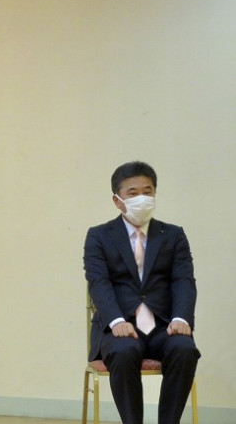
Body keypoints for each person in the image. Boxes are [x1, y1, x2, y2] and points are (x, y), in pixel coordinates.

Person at [83, 161, 200, 424]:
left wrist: (181, 318)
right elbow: (98, 282)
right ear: (117, 200)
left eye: (147, 192)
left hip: (163, 327)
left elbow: (183, 280)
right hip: (118, 327)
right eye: (133, 193)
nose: (142, 198)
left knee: (185, 349)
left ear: (155, 193)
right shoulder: (99, 236)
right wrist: (116, 321)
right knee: (124, 351)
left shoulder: (173, 235)